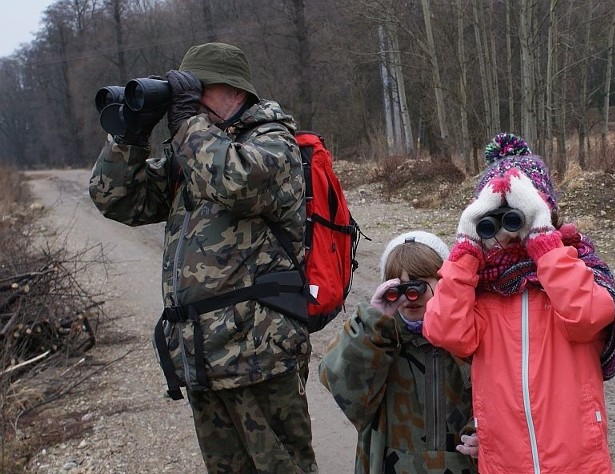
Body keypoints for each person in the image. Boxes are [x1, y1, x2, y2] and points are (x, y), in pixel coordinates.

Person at [89, 42, 317, 473]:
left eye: (196, 91)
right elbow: (115, 199)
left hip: (259, 353)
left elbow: (237, 182)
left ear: (233, 91)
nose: (186, 103)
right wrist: (129, 137)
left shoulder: (271, 141)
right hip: (202, 356)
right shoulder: (193, 154)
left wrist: (187, 124)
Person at [423, 133, 615, 474]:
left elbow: (587, 317)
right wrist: (466, 246)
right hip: (505, 462)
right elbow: (445, 331)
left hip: (578, 461)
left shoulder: (576, 264)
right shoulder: (481, 285)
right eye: (495, 218)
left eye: (518, 215)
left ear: (544, 211)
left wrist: (544, 242)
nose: (509, 230)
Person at [319, 230, 478, 474]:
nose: (410, 297)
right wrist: (374, 322)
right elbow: (344, 390)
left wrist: (478, 433)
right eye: (399, 287)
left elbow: (497, 401)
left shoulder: (468, 338)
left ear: (445, 281)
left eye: (421, 283)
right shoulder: (377, 340)